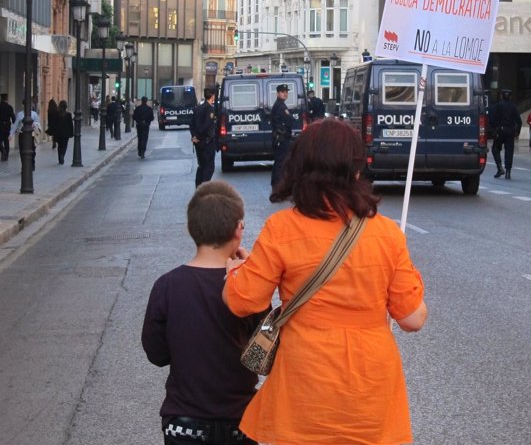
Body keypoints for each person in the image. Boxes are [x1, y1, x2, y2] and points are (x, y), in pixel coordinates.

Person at [223, 118, 428, 445]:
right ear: (356, 171)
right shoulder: (387, 234)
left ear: (299, 168)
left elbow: (243, 300)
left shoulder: (282, 229)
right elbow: (412, 318)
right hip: (369, 387)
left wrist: (236, 269)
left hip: (305, 383)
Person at [142, 181, 264, 445]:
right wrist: (253, 274)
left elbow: (156, 354)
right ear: (238, 231)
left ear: (190, 229)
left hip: (185, 423)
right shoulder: (249, 287)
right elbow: (262, 355)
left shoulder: (167, 285)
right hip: (240, 420)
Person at [491, 88, 522, 180]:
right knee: (509, 151)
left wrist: (493, 130)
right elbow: (519, 121)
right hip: (510, 131)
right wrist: (517, 132)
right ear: (510, 97)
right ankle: (508, 172)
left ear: (501, 96)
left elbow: (493, 119)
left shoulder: (498, 106)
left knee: (495, 149)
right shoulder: (513, 107)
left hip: (500, 131)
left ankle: (499, 167)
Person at [190, 87, 217, 187]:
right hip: (206, 142)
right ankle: (204, 189)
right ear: (213, 96)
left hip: (197, 142)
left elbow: (191, 124)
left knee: (201, 166)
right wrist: (198, 136)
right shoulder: (210, 109)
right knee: (209, 167)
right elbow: (206, 126)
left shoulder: (197, 109)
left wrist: (194, 136)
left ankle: (198, 188)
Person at [269, 83, 294, 189]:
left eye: (286, 92)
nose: (285, 94)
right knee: (281, 161)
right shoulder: (280, 105)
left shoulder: (280, 104)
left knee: (279, 160)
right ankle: (278, 183)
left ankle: (276, 181)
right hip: (281, 138)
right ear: (278, 93)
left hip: (281, 137)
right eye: (283, 92)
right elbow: (285, 121)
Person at [11, 100, 41, 170]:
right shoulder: (19, 114)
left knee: (32, 150)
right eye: (25, 105)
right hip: (22, 135)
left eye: (29, 105)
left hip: (32, 135)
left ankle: (32, 164)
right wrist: (11, 134)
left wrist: (35, 125)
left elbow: (38, 124)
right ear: (22, 106)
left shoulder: (34, 114)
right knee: (22, 151)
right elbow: (15, 125)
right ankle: (24, 166)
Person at [52, 100, 74, 165]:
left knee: (59, 146)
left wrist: (54, 133)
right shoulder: (68, 115)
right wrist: (71, 133)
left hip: (58, 133)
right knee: (64, 146)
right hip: (66, 133)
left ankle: (60, 157)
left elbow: (54, 124)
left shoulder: (56, 114)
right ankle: (62, 155)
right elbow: (71, 125)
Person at [0, 93, 15, 161]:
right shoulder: (9, 107)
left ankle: (2, 151)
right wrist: (15, 126)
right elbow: (13, 117)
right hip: (7, 126)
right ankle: (6, 155)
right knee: (6, 141)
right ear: (6, 99)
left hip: (0, 126)